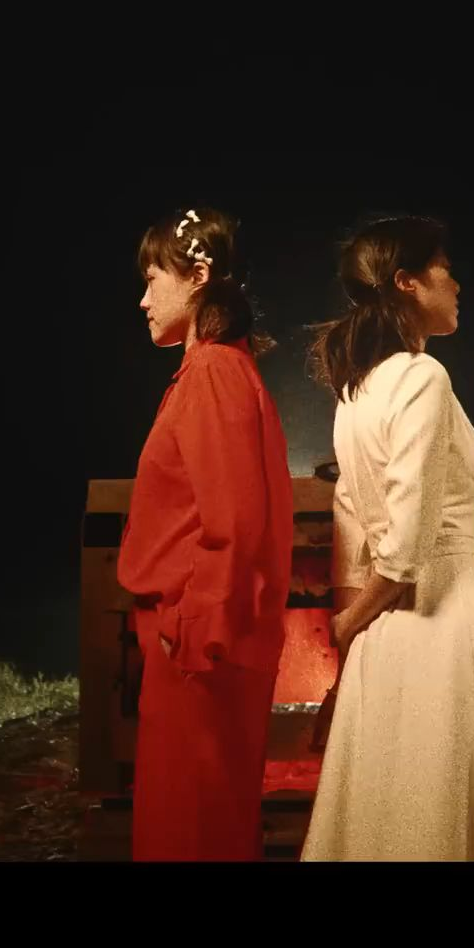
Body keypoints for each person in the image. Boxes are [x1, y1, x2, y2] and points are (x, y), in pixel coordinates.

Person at [302, 214, 474, 861]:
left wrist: (353, 631)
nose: (456, 284)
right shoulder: (423, 378)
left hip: (383, 637)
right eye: (444, 270)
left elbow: (352, 532)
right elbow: (406, 548)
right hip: (443, 614)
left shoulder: (355, 394)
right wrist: (346, 626)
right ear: (407, 282)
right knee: (458, 798)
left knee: (392, 806)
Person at [116, 207, 293, 861]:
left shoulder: (214, 371)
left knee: (188, 828)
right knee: (200, 821)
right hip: (199, 640)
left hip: (197, 646)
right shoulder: (218, 370)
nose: (143, 300)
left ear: (198, 276)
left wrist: (194, 628)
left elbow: (235, 515)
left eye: (151, 279)